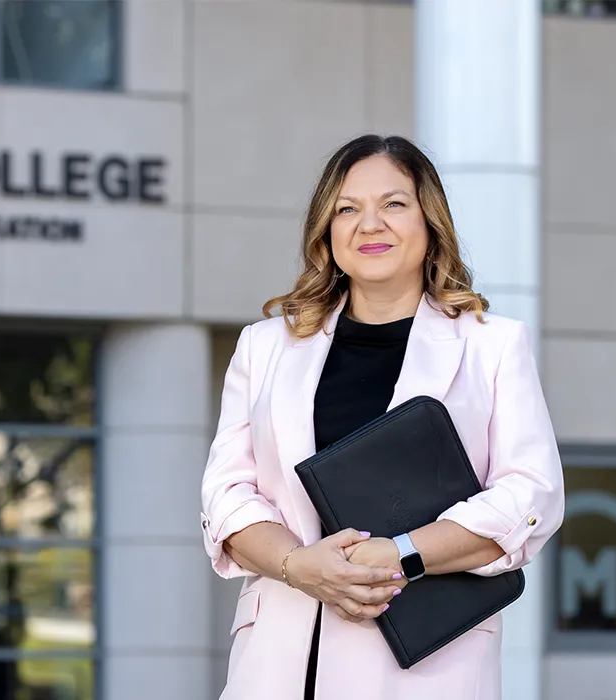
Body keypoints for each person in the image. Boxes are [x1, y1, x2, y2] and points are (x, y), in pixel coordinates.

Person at [198, 134, 564, 700]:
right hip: (280, 669)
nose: (370, 225)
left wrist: (402, 554)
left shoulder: (493, 346)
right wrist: (299, 564)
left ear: (429, 221)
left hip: (428, 669)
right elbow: (227, 494)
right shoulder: (264, 346)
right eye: (347, 209)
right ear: (327, 230)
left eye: (393, 204)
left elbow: (530, 496)